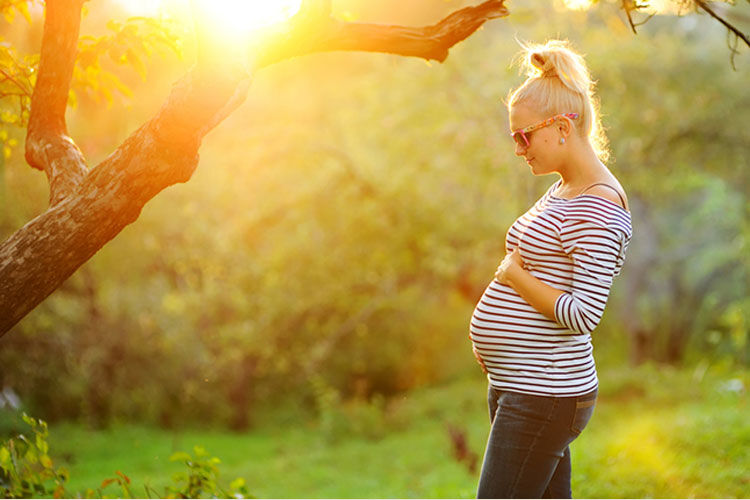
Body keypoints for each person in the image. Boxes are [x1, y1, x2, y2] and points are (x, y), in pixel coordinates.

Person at [470, 39, 633, 499]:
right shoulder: (566, 188)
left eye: (525, 135)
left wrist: (514, 277)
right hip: (519, 385)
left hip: (545, 396)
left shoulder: (598, 207)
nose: (519, 149)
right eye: (513, 137)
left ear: (562, 126)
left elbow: (584, 314)